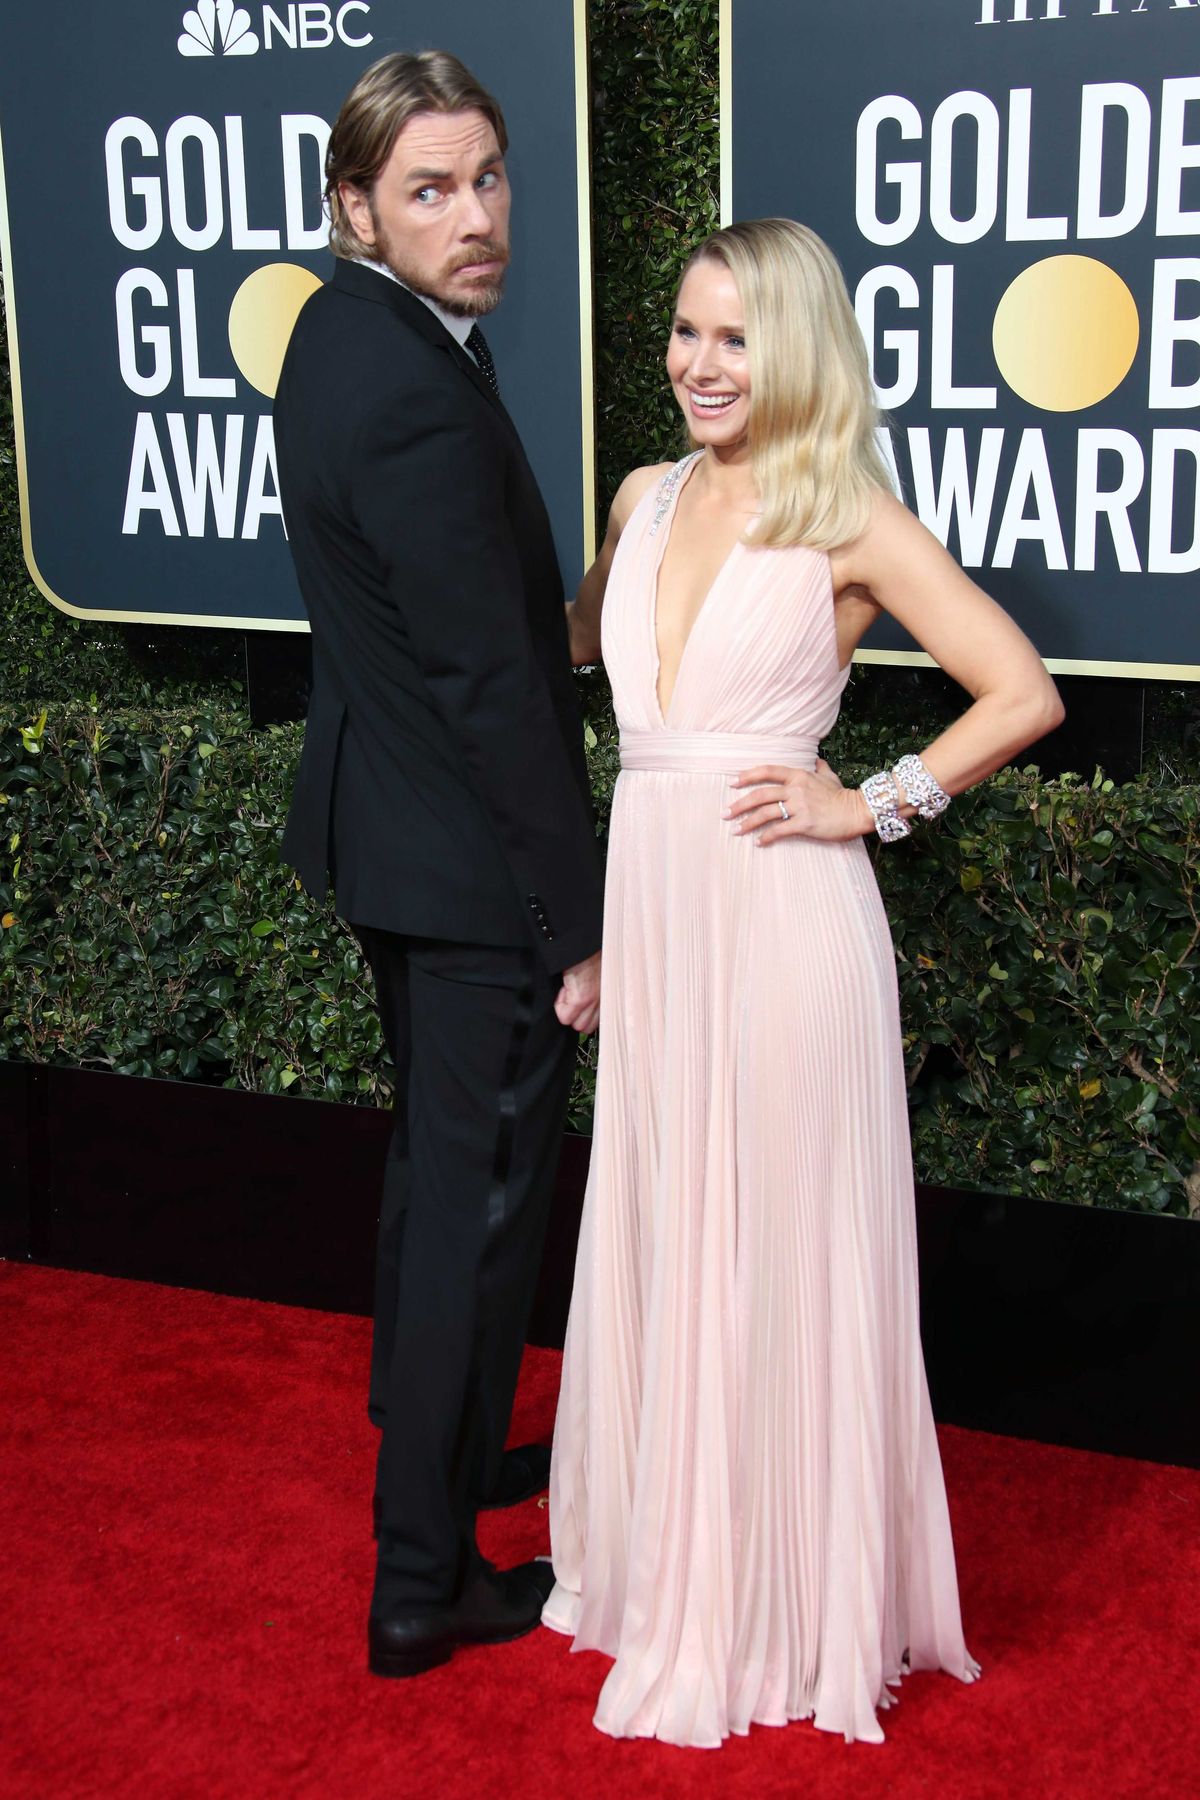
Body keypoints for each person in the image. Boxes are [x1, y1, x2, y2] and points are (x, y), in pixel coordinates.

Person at [542, 218, 1063, 1748]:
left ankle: (775, 1607)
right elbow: (569, 660)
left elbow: (1023, 689)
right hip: (660, 924)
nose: (705, 365)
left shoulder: (848, 516)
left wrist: (869, 799)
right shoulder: (641, 500)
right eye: (688, 333)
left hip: (785, 931)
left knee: (770, 1252)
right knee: (668, 1229)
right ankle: (672, 1570)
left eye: (738, 339)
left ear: (799, 350)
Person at [273, 51, 604, 1680]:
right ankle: (424, 1581)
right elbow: (487, 683)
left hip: (391, 845)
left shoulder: (344, 334)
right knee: (477, 1209)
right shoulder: (408, 378)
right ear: (355, 207)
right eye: (429, 190)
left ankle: (458, 1462)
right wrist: (579, 920)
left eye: (488, 180)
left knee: (435, 1190)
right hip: (467, 879)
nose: (476, 220)